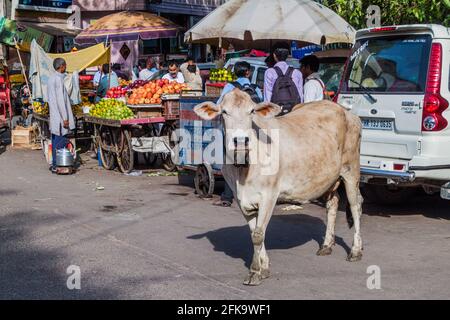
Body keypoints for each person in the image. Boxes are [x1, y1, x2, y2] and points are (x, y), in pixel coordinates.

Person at [213, 61, 263, 207]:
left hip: (233, 133)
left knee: (230, 162)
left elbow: (219, 105)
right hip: (251, 131)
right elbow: (261, 105)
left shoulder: (229, 87)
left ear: (234, 73)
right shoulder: (255, 88)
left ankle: (227, 197)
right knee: (254, 161)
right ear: (248, 73)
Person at [47, 58, 75, 173]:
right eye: (65, 65)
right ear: (61, 66)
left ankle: (54, 164)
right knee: (60, 141)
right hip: (59, 117)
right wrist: (65, 118)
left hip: (54, 115)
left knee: (55, 141)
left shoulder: (51, 78)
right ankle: (58, 164)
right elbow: (60, 101)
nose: (66, 67)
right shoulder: (58, 79)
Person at [264, 44, 303, 114]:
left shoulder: (269, 72)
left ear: (274, 55)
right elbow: (300, 96)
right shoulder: (297, 72)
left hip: (276, 112)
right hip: (293, 112)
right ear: (287, 56)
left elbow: (268, 96)